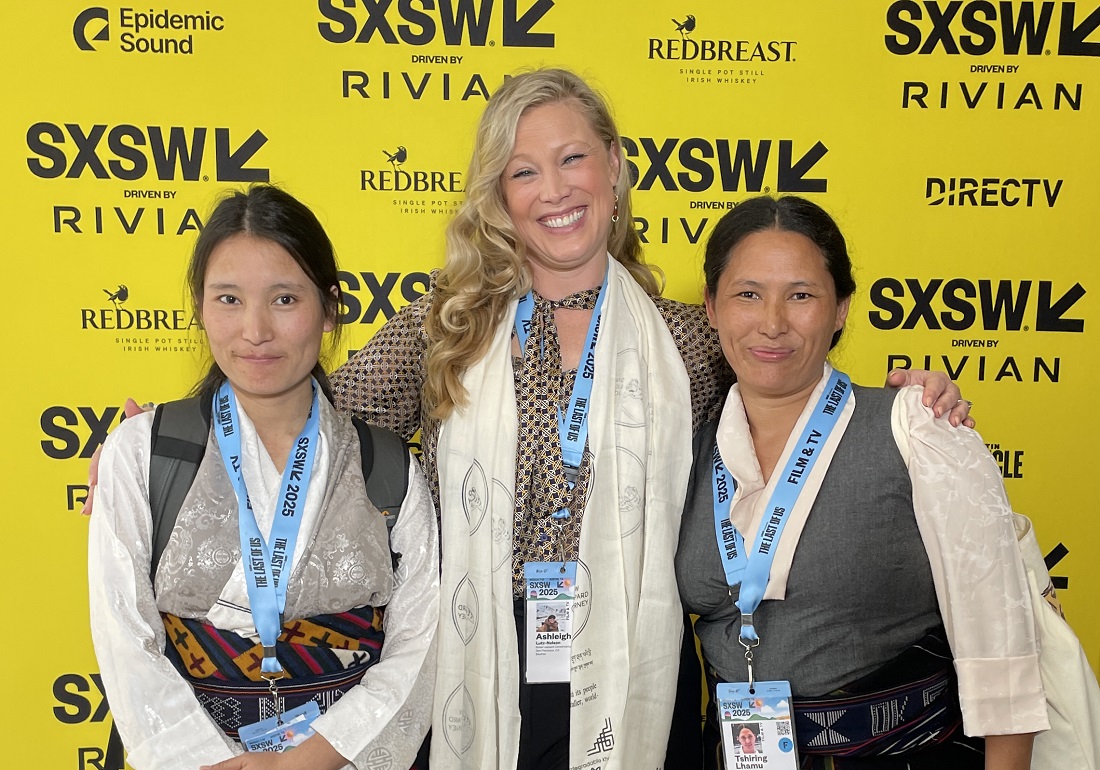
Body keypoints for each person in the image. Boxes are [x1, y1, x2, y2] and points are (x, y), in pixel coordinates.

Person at [327, 69, 971, 770]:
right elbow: (313, 434)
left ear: (613, 166)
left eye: (572, 158)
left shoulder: (688, 341)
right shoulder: (445, 326)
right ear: (499, 196)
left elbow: (801, 406)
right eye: (524, 171)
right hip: (475, 657)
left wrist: (916, 402)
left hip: (639, 656)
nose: (554, 189)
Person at [675, 195, 1048, 769]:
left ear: (841, 308)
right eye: (747, 294)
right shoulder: (686, 451)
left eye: (801, 295)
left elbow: (1001, 646)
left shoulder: (917, 427)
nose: (772, 322)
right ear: (711, 307)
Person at [88, 185, 438, 770]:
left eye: (284, 299)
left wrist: (308, 760)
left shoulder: (388, 467)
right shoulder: (144, 454)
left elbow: (420, 642)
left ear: (330, 309)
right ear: (200, 307)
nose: (254, 330)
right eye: (228, 299)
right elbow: (124, 634)